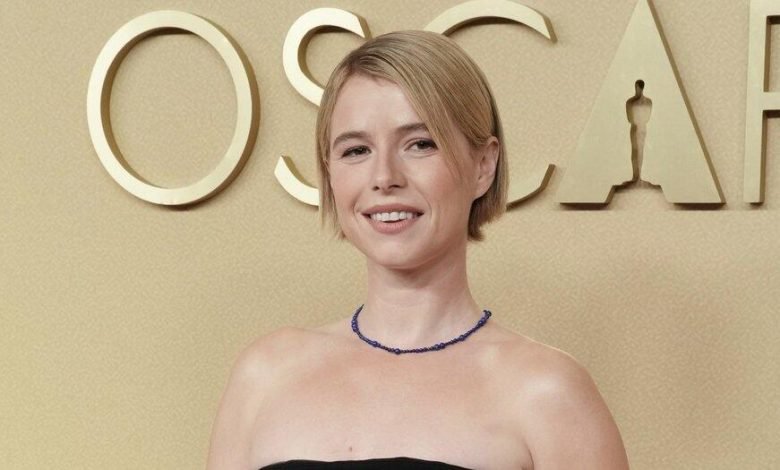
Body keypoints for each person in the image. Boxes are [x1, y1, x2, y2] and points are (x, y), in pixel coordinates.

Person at [206, 30, 630, 470]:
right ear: (330, 173)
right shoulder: (265, 375)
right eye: (356, 150)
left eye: (420, 144)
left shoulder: (547, 392)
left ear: (483, 165)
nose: (384, 177)